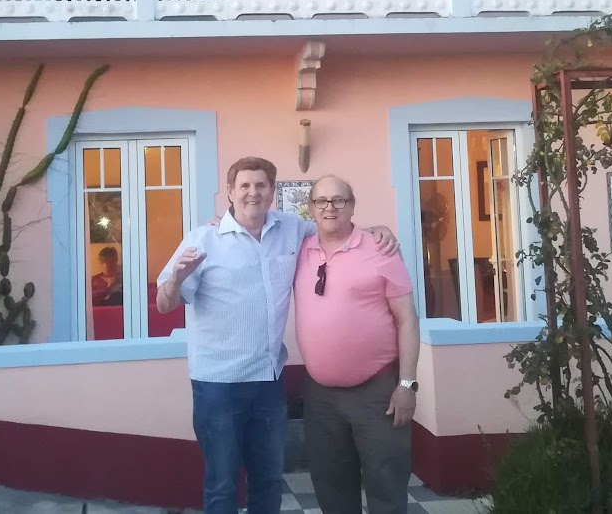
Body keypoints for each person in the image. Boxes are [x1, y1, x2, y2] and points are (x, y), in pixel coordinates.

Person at [156, 157, 398, 514]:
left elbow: (335, 225)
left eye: (261, 185)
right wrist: (176, 280)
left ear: (271, 192)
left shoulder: (291, 229)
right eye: (244, 185)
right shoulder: (203, 239)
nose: (253, 192)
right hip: (218, 385)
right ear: (230, 192)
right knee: (222, 484)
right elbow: (164, 304)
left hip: (268, 382)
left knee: (269, 481)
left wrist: (377, 230)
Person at [294, 175, 419, 514]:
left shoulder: (380, 249)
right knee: (331, 487)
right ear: (311, 208)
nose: (330, 207)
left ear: (352, 206)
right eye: (321, 201)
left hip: (376, 393)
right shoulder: (298, 250)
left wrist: (407, 385)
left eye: (339, 200)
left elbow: (408, 320)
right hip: (320, 396)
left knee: (386, 485)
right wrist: (221, 221)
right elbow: (256, 227)